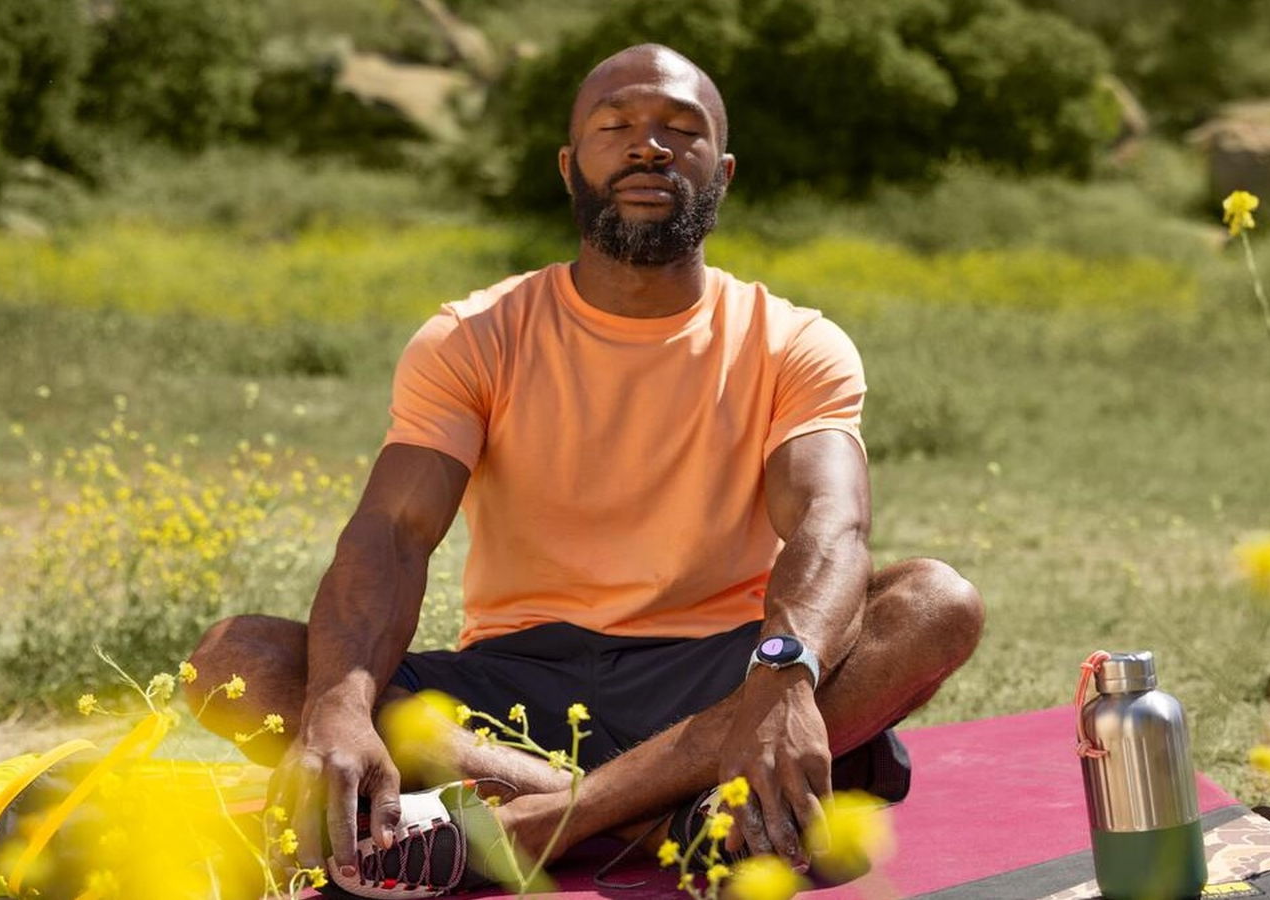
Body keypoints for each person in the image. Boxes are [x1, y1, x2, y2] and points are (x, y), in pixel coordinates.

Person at [185, 42, 983, 896]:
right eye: (616, 126)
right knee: (236, 660)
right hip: (517, 688)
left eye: (683, 129)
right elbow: (395, 531)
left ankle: (531, 824)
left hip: (722, 678)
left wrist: (783, 677)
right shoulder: (472, 335)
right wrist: (337, 710)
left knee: (935, 603)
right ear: (571, 165)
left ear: (725, 170)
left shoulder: (795, 341)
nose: (649, 146)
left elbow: (830, 524)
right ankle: (659, 822)